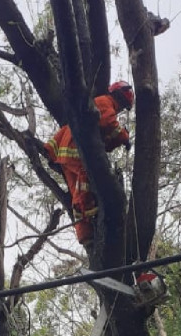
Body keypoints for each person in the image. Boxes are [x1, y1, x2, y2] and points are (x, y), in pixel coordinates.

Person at [44, 81, 134, 245]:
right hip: (76, 150)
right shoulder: (105, 102)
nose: (120, 109)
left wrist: (119, 139)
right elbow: (108, 123)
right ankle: (90, 216)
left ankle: (85, 234)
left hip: (67, 153)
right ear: (118, 96)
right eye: (122, 104)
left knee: (76, 191)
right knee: (84, 186)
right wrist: (123, 136)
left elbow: (105, 143)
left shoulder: (102, 104)